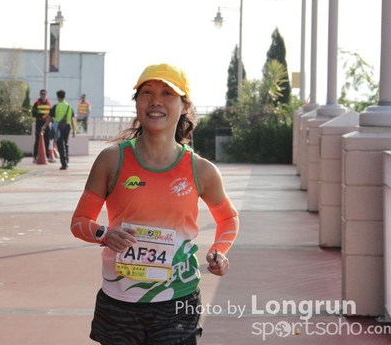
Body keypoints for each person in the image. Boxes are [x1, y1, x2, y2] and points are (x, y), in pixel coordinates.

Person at [69, 63, 239, 344]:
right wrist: (105, 234)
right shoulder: (111, 160)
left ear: (185, 106)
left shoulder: (201, 170)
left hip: (178, 300)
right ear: (136, 102)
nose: (155, 101)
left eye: (167, 93)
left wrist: (218, 252)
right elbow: (79, 222)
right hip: (119, 301)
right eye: (146, 92)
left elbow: (228, 219)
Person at [41, 90, 76, 170]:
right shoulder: (69, 107)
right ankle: (66, 159)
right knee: (65, 143)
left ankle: (64, 164)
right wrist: (74, 131)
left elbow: (50, 118)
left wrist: (44, 126)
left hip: (58, 128)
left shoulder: (56, 106)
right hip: (67, 126)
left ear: (57, 97)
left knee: (60, 145)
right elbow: (72, 119)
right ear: (64, 96)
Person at [31, 89, 55, 163]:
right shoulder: (37, 103)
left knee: (47, 140)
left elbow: (51, 114)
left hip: (46, 123)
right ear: (40, 95)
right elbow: (33, 114)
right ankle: (35, 156)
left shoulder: (49, 103)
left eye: (44, 94)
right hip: (39, 122)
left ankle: (46, 156)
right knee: (38, 139)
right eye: (42, 94)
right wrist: (42, 115)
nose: (43, 95)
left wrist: (52, 121)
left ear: (46, 95)